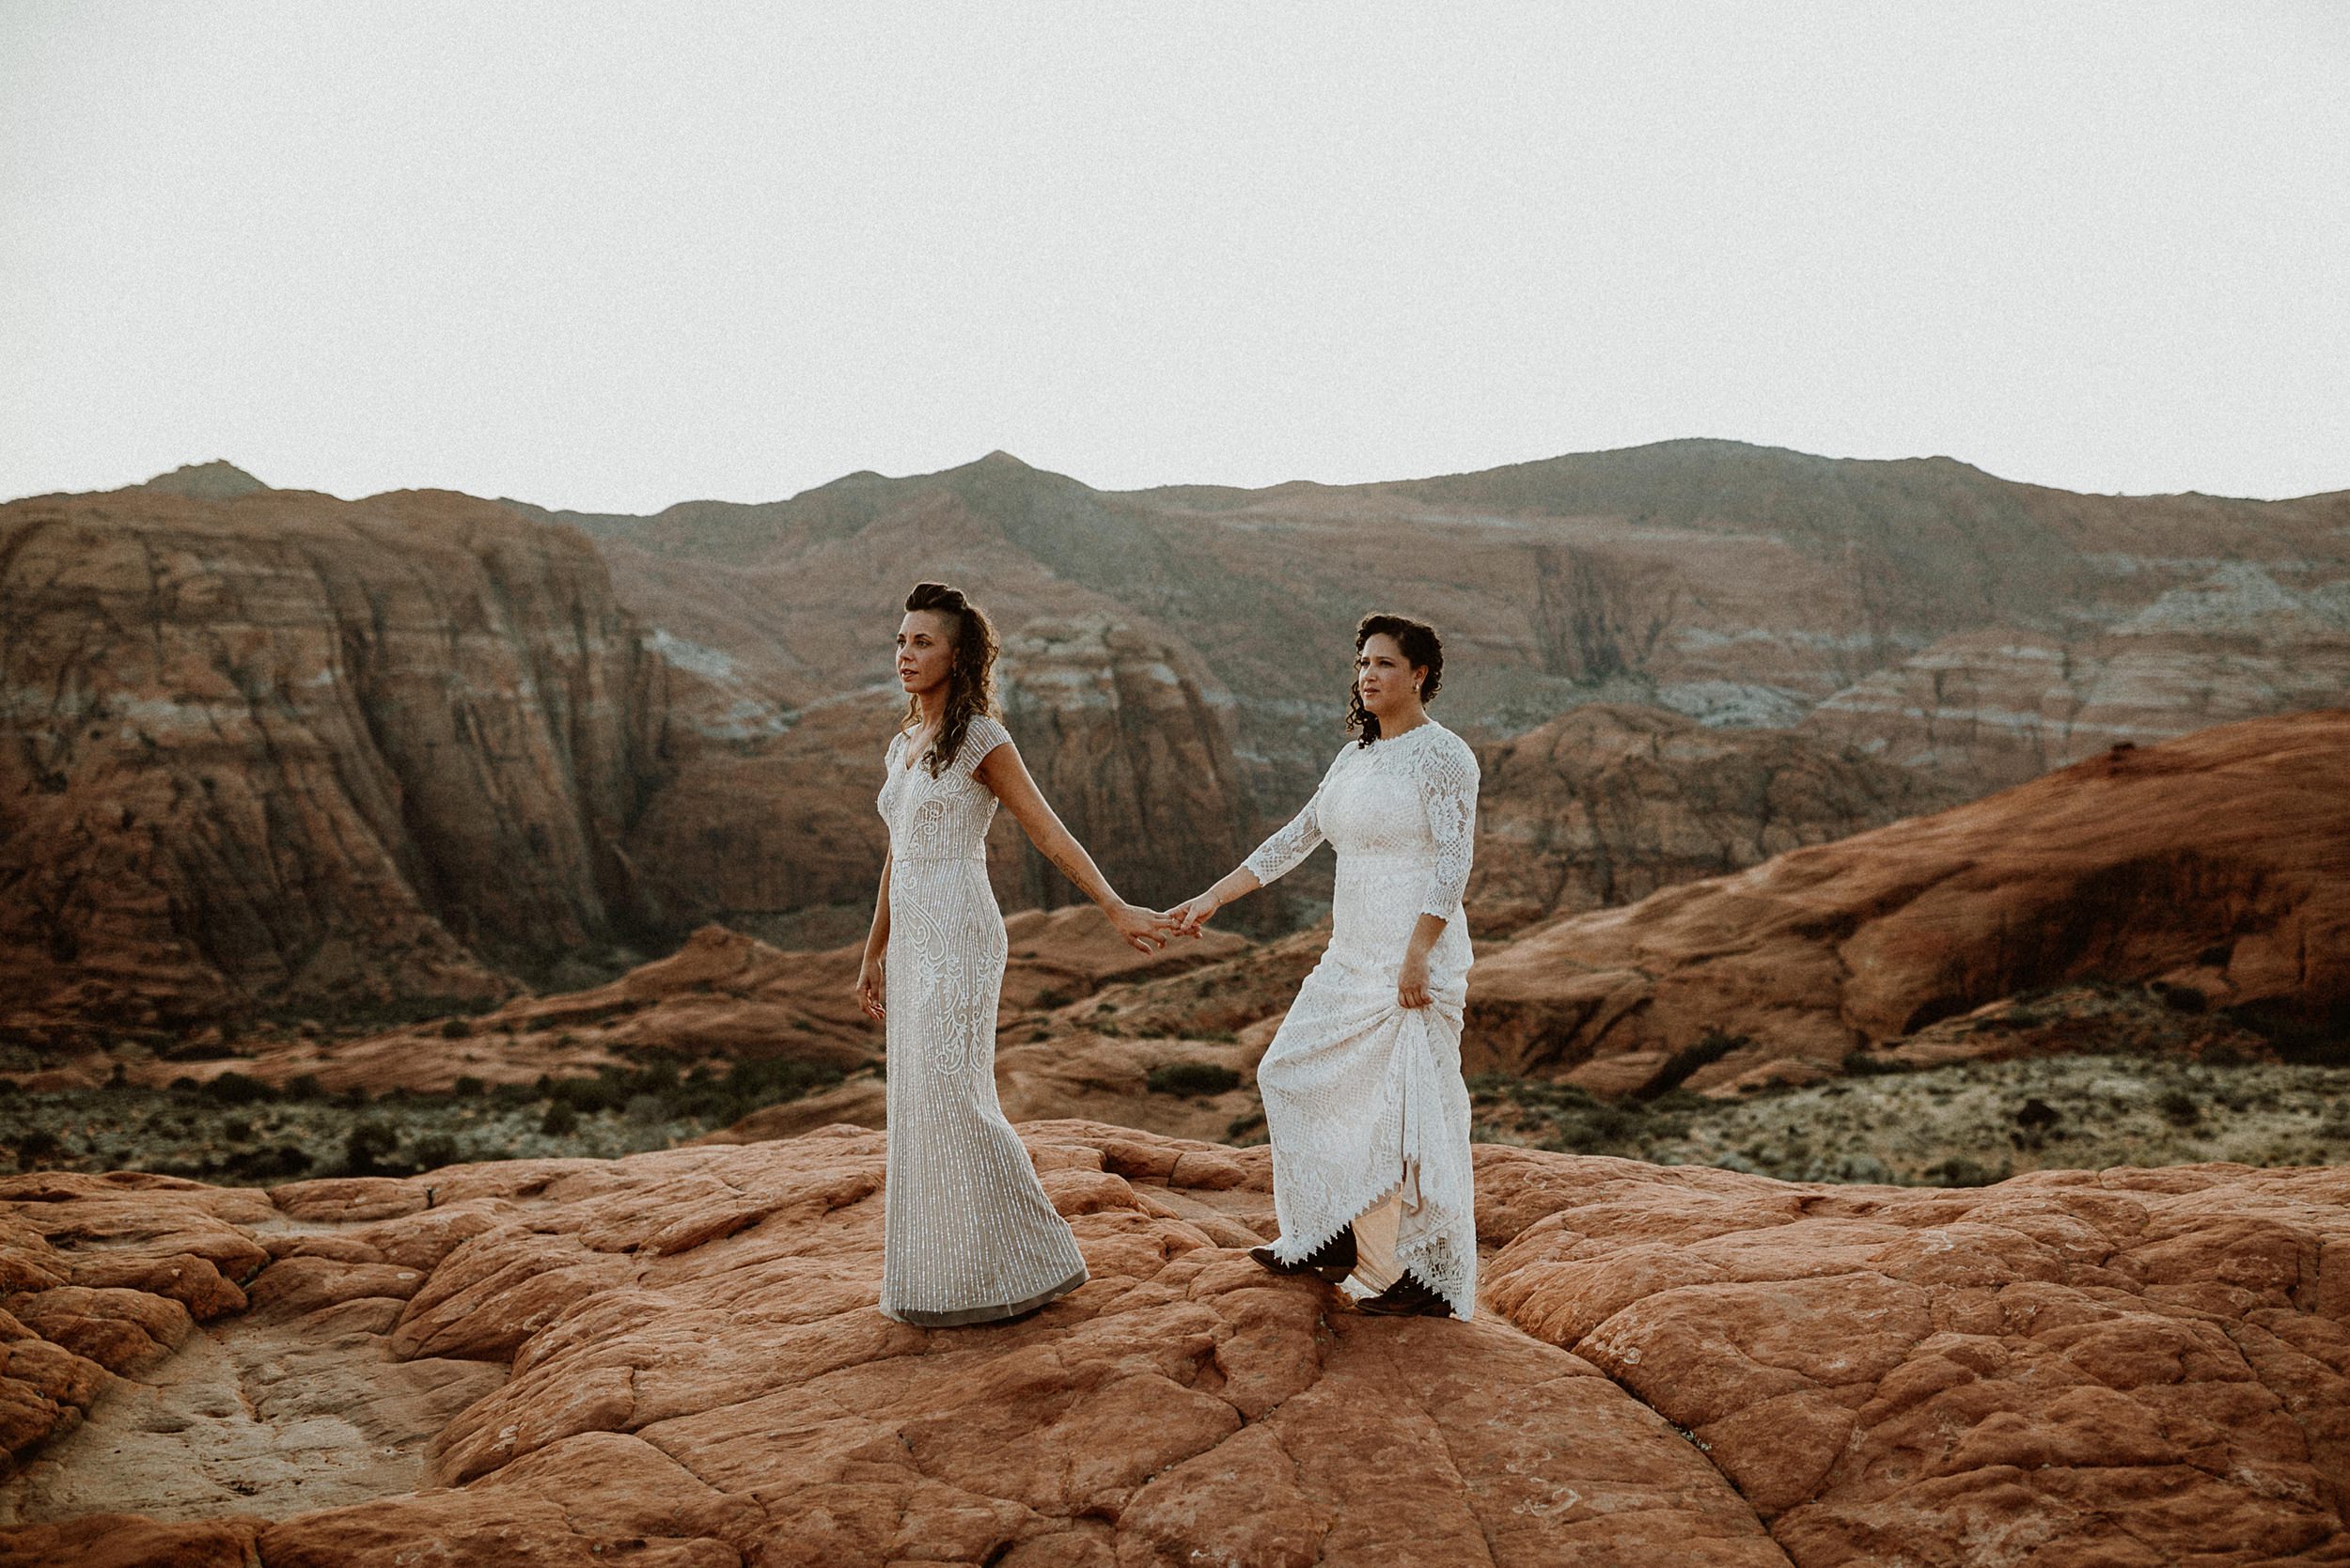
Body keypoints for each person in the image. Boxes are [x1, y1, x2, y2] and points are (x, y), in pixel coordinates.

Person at [857, 581, 1172, 1325]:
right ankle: (942, 1281)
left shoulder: (982, 740)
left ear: (958, 656)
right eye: (901, 641)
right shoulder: (904, 745)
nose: (906, 654)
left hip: (962, 931)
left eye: (923, 642)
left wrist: (1113, 906)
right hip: (913, 938)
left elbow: (1046, 830)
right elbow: (897, 857)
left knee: (954, 1094)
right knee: (919, 1103)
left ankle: (1038, 1262)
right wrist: (873, 952)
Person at [1168, 612, 1480, 1319]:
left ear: (1420, 675)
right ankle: (1327, 1235)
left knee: (1415, 1117)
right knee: (1287, 1072)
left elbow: (1453, 862)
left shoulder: (1445, 755)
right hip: (1350, 954)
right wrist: (1213, 897)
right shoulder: (1355, 757)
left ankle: (1429, 1280)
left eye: (1385, 664)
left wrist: (1418, 954)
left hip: (1412, 959)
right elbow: (1297, 837)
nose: (1368, 675)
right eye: (1363, 662)